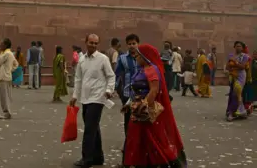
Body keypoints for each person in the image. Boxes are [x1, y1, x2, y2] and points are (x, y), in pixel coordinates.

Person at [122, 44, 187, 167]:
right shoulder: (142, 69)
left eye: (137, 55)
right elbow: (135, 91)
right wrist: (129, 104)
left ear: (144, 56)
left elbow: (154, 90)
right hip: (137, 108)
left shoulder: (151, 70)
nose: (135, 57)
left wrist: (144, 105)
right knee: (136, 138)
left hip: (145, 111)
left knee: (150, 139)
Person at [70, 34, 115, 168]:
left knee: (89, 128)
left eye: (96, 43)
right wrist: (74, 96)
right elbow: (78, 79)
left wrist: (109, 90)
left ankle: (87, 158)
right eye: (91, 43)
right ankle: (98, 157)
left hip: (98, 97)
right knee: (93, 126)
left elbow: (111, 76)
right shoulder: (82, 60)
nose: (93, 45)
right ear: (86, 42)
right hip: (85, 98)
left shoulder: (103, 59)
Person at [115, 34, 139, 144]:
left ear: (138, 44)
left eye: (134, 43)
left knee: (140, 119)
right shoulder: (123, 58)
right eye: (129, 44)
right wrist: (114, 89)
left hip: (141, 94)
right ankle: (128, 143)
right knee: (128, 120)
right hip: (127, 93)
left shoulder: (142, 57)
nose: (132, 46)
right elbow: (117, 74)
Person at [226, 41, 251, 121]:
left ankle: (232, 113)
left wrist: (235, 62)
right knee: (233, 93)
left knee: (236, 92)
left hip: (241, 76)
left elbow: (243, 67)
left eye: (240, 46)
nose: (238, 47)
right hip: (232, 76)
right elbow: (227, 67)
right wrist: (231, 68)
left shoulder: (245, 56)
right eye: (237, 46)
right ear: (234, 47)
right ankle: (240, 111)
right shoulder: (231, 55)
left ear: (242, 48)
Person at [0, 38, 18, 119]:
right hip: (7, 76)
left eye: (2, 44)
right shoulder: (10, 53)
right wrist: (10, 70)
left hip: (3, 77)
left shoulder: (6, 54)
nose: (0, 45)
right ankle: (7, 112)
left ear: (5, 45)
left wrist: (1, 53)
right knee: (7, 95)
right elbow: (16, 64)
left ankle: (7, 113)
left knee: (4, 96)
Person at [244, 49, 257, 115]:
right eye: (254, 54)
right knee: (252, 93)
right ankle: (251, 106)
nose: (255, 55)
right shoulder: (251, 62)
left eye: (256, 54)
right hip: (252, 79)